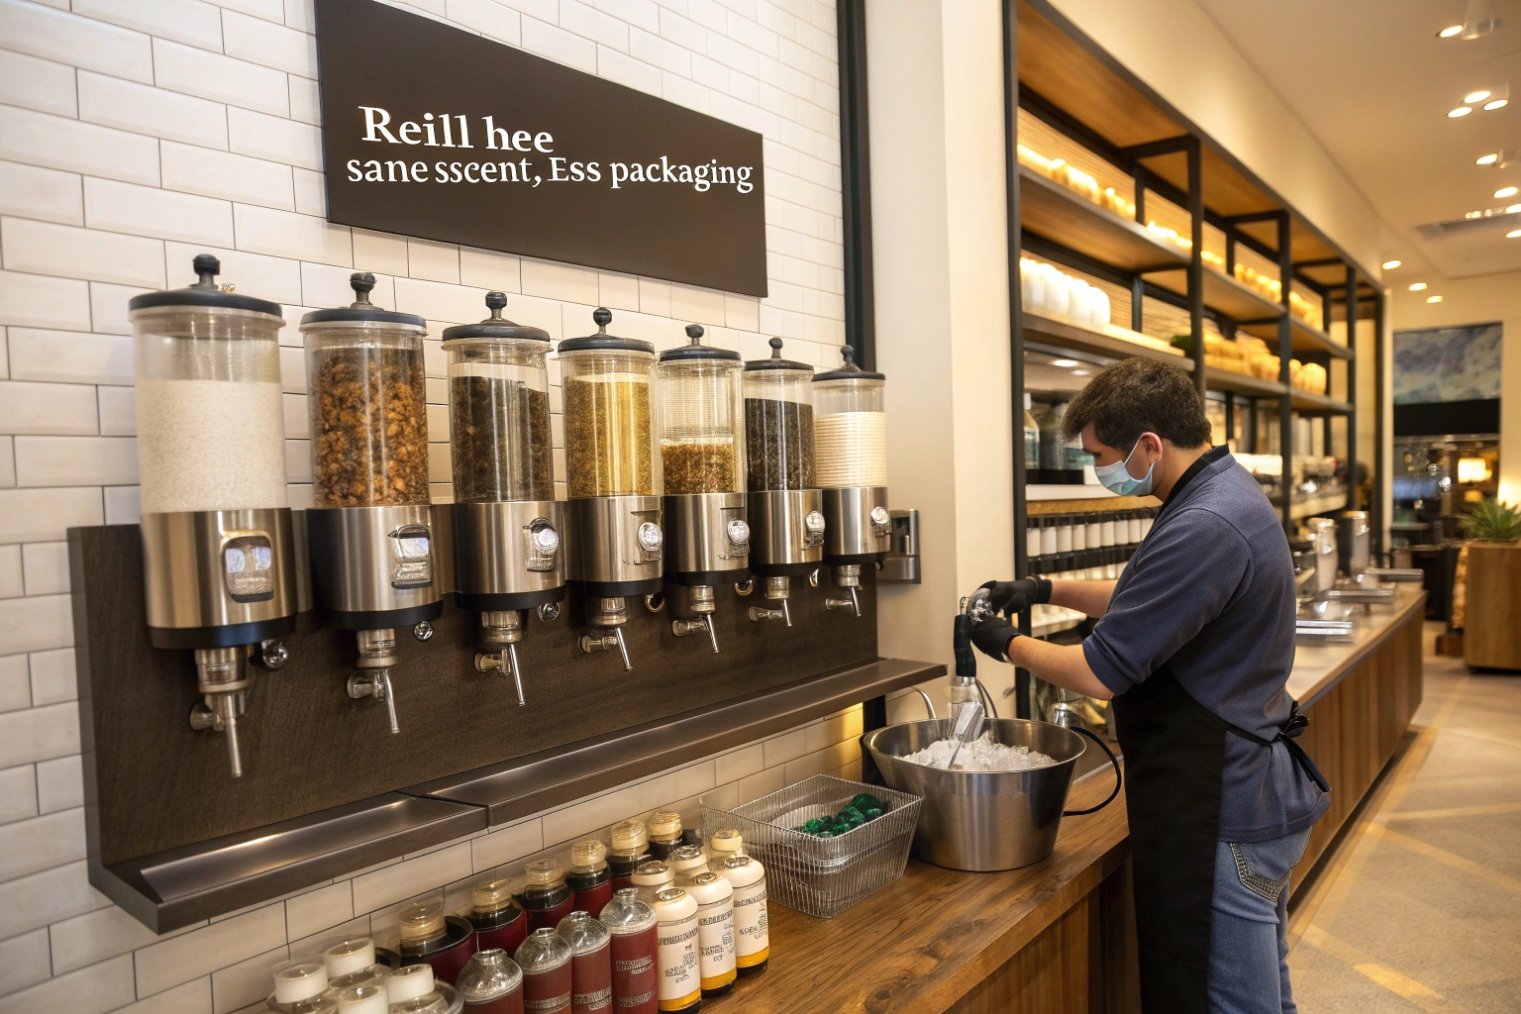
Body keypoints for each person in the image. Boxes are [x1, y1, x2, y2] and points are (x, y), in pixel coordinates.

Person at [969, 358, 1329, 1014]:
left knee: (1227, 1004)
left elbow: (1097, 674)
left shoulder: (1204, 524)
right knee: (1261, 997)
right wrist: (1045, 589)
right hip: (1242, 790)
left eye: (1101, 454)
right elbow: (1149, 598)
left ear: (1149, 445)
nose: (1097, 470)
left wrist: (1006, 645)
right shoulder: (1217, 492)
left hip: (1223, 804)